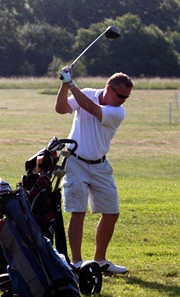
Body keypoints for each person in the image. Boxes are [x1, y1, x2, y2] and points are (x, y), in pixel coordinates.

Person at [55, 66, 133, 274]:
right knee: (77, 212)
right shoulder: (87, 93)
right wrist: (64, 86)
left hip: (100, 166)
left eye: (127, 97)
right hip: (75, 162)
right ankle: (78, 263)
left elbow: (92, 109)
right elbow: (61, 109)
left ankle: (100, 261)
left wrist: (71, 84)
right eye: (121, 95)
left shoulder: (117, 112)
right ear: (109, 88)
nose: (123, 100)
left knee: (111, 213)